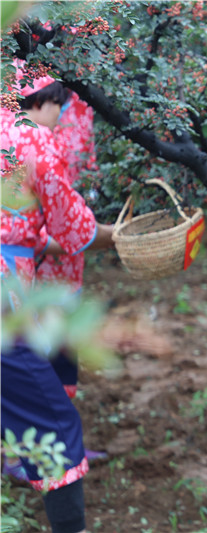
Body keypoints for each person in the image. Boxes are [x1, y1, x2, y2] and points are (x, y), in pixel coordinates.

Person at [1, 63, 114, 533]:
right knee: (55, 425)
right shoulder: (33, 138)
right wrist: (110, 234)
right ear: (46, 101)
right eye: (59, 109)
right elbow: (72, 228)